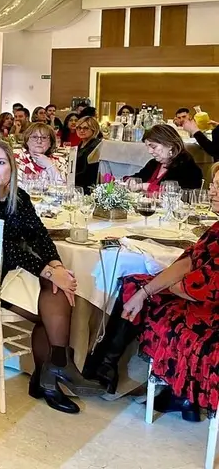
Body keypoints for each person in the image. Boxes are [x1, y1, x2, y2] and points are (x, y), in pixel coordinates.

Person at [0, 141, 103, 413]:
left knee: (55, 291)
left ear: (12, 166)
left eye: (1, 162)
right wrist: (49, 272)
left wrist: (56, 265)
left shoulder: (18, 196)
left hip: (11, 273)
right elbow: (2, 246)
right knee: (53, 301)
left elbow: (40, 235)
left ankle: (48, 377)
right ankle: (54, 372)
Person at [84, 166, 219, 419]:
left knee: (137, 288)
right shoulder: (216, 228)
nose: (211, 191)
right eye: (213, 184)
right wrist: (146, 291)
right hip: (200, 300)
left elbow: (196, 288)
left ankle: (105, 368)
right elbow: (187, 262)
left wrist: (151, 291)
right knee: (136, 284)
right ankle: (107, 367)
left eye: (218, 187)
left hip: (210, 316)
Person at [124, 124, 203, 192]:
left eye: (153, 147)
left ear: (169, 145)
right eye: (147, 147)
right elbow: (137, 177)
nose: (150, 151)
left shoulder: (188, 168)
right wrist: (130, 181)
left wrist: (147, 187)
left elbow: (182, 195)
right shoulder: (154, 163)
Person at [74, 117, 103, 192]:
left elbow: (86, 171)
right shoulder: (82, 143)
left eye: (86, 128)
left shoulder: (95, 146)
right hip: (78, 181)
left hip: (85, 186)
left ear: (94, 130)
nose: (81, 130)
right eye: (79, 128)